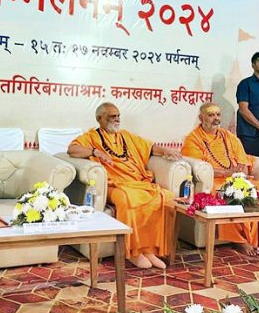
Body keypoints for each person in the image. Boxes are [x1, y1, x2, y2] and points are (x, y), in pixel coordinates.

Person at [67, 102, 181, 269]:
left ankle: (150, 250)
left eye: (118, 116)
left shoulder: (126, 136)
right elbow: (72, 150)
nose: (117, 119)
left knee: (166, 197)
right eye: (112, 116)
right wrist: (94, 152)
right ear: (99, 118)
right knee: (127, 198)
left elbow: (149, 147)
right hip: (115, 184)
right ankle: (134, 252)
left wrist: (165, 151)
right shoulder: (91, 137)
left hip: (136, 181)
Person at [181, 102, 259, 255]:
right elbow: (198, 167)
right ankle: (239, 240)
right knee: (227, 194)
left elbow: (243, 161)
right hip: (215, 182)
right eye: (211, 115)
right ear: (201, 117)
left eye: (218, 114)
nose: (215, 119)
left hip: (237, 179)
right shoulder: (193, 139)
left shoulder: (228, 136)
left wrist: (240, 172)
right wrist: (227, 173)